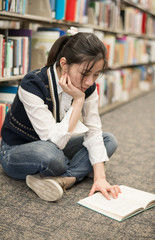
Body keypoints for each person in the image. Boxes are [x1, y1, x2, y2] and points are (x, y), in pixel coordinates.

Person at [0, 27, 121, 202]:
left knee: (108, 140)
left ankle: (63, 180)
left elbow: (93, 130)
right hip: (16, 151)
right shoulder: (32, 84)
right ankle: (75, 170)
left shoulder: (88, 86)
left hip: (56, 145)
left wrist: (100, 178)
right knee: (51, 156)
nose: (89, 82)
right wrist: (78, 101)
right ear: (64, 64)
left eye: (96, 75)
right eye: (85, 74)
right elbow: (53, 141)